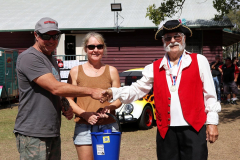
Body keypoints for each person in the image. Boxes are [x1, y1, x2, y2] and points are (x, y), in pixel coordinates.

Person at [103, 20, 221, 160]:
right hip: (166, 131)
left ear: (184, 38)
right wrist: (114, 92)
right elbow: (137, 89)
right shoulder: (154, 66)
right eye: (167, 38)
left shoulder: (199, 60)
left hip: (194, 129)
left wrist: (212, 122)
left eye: (176, 36)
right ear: (163, 42)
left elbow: (210, 95)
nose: (172, 41)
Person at [13, 17, 107, 160]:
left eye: (55, 36)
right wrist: (91, 91)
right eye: (46, 36)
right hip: (33, 133)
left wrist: (65, 105)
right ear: (36, 35)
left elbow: (55, 91)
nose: (52, 40)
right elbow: (55, 87)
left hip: (51, 131)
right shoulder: (29, 57)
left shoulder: (51, 58)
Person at [66, 32, 122, 160]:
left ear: (104, 48)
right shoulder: (75, 71)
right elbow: (68, 100)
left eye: (99, 46)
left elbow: (119, 98)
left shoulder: (112, 70)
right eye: (91, 47)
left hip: (108, 125)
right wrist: (84, 114)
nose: (95, 50)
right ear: (86, 49)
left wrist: (109, 108)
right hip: (83, 125)